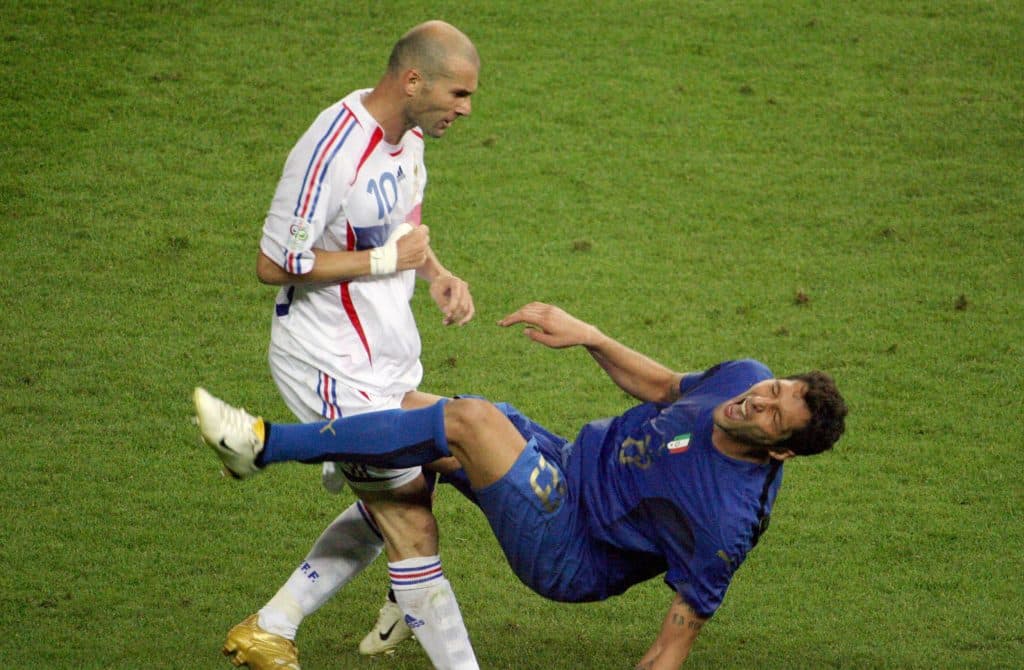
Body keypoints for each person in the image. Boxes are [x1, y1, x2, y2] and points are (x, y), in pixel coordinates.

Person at [194, 301, 849, 668]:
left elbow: (669, 650)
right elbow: (665, 386)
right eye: (774, 388)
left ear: (781, 451)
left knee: (469, 422)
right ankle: (286, 619)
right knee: (405, 420)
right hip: (563, 461)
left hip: (569, 550)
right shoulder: (744, 378)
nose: (757, 401)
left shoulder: (726, 521)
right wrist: (591, 336)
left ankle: (263, 445)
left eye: (773, 415)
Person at [223, 20, 483, 670]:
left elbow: (403, 226)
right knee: (410, 520)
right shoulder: (333, 147)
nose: (465, 109)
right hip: (328, 362)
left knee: (428, 468)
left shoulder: (409, 137)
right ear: (413, 80)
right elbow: (274, 263)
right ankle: (420, 614)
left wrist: (436, 272)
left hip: (385, 356)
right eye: (458, 93)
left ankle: (273, 626)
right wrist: (385, 263)